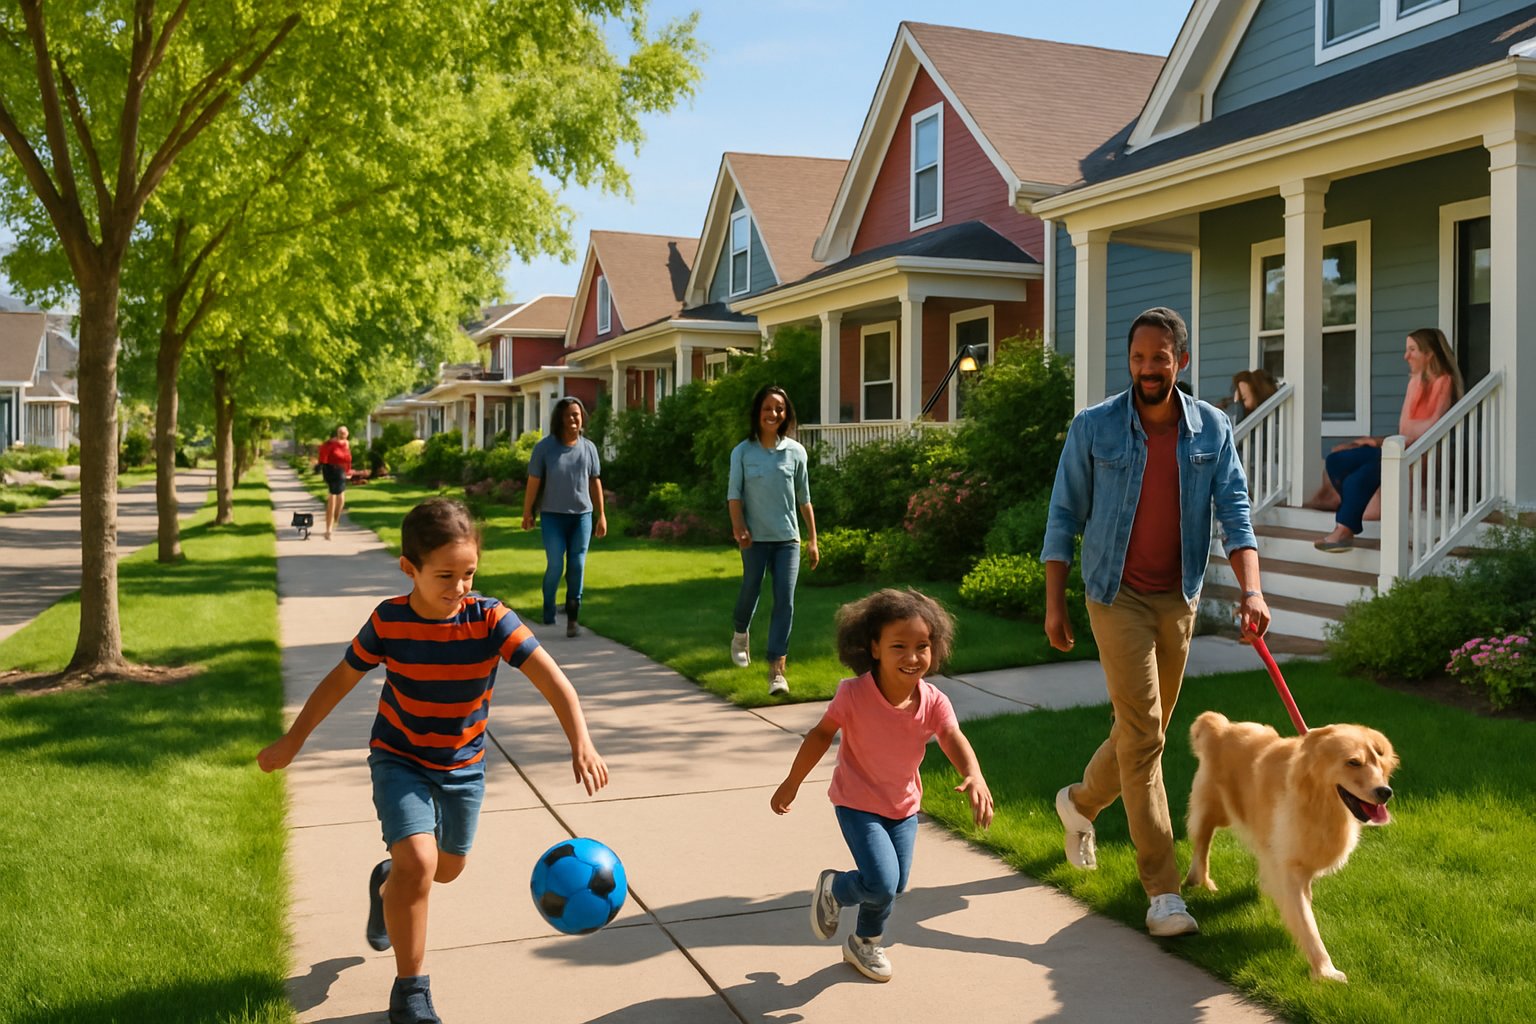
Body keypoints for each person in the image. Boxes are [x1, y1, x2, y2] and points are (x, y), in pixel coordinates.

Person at [257, 498, 609, 1024]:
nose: (459, 586)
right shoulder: (389, 621)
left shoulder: (491, 620)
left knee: (445, 869)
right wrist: (294, 740)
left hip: (462, 767)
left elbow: (553, 680)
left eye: (469, 573)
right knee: (419, 864)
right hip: (399, 757)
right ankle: (410, 992)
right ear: (410, 569)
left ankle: (386, 884)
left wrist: (580, 739)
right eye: (445, 575)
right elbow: (339, 681)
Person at [1041, 306, 1270, 938]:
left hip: (1179, 596)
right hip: (1114, 595)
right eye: (1139, 358)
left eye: (1160, 358)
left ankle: (1079, 803)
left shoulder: (1212, 429)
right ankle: (1163, 892)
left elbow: (1236, 513)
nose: (1148, 369)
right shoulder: (1095, 427)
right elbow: (1064, 515)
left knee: (1142, 730)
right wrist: (1055, 601)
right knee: (1145, 740)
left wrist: (1251, 590)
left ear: (1182, 362)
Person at [770, 588, 993, 982]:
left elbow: (952, 737)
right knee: (881, 881)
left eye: (922, 646)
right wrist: (792, 782)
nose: (912, 657)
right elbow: (821, 735)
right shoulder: (853, 694)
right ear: (874, 648)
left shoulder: (934, 701)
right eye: (899, 646)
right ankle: (838, 891)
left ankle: (861, 942)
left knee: (894, 884)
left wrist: (973, 773)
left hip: (903, 806)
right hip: (856, 801)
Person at [1314, 327, 1464, 552]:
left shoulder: (1445, 382)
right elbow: (1406, 428)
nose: (1406, 356)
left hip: (1421, 455)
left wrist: (1386, 441)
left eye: (1412, 350)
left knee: (1358, 478)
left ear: (1429, 353)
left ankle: (1344, 531)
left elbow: (1431, 428)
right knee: (1336, 459)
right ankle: (1355, 509)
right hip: (1400, 447)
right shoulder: (1414, 382)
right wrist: (1374, 440)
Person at [727, 384, 819, 696]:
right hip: (754, 539)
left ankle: (776, 671)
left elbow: (804, 498)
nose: (773, 414)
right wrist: (739, 527)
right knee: (750, 589)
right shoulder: (742, 452)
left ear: (786, 414)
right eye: (768, 408)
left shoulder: (796, 452)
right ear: (758, 412)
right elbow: (734, 496)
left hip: (787, 539)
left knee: (785, 600)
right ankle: (741, 634)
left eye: (779, 409)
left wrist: (812, 540)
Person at [522, 397, 607, 637]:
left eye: (577, 415)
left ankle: (572, 616)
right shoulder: (544, 448)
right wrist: (527, 512)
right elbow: (533, 482)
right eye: (569, 415)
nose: (574, 419)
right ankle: (548, 605)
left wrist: (601, 515)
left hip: (582, 516)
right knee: (556, 565)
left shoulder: (589, 448)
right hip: (552, 517)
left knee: (577, 565)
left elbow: (595, 481)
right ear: (559, 419)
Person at [317, 425, 352, 540]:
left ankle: (333, 522)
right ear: (338, 433)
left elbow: (348, 460)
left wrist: (348, 471)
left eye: (344, 432)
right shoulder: (331, 443)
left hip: (341, 472)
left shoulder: (347, 444)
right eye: (341, 432)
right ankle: (329, 529)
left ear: (347, 433)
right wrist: (322, 465)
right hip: (331, 470)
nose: (343, 434)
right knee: (333, 498)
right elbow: (322, 455)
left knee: (340, 499)